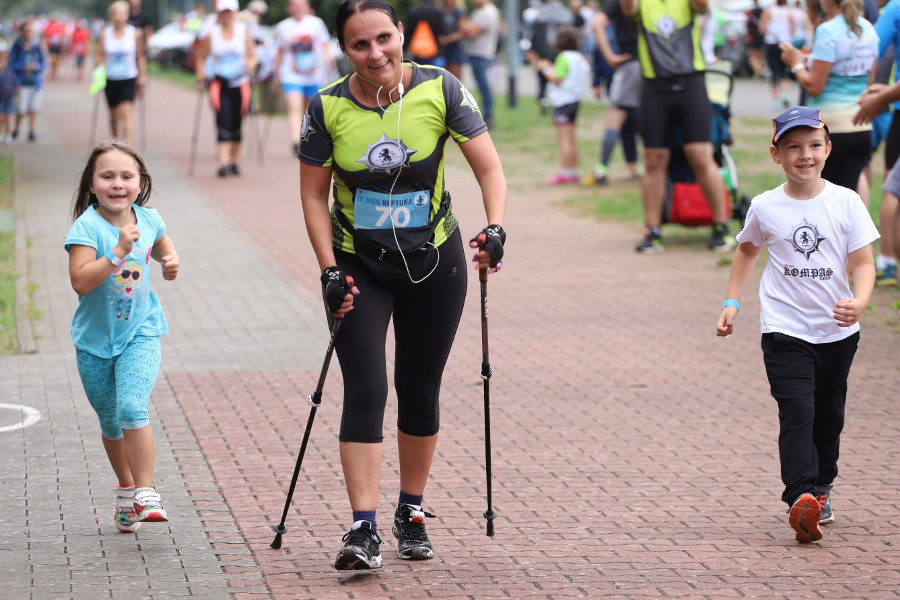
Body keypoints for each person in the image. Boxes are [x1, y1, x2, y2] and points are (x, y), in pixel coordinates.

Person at [299, 0, 507, 570]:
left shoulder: (441, 89)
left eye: (384, 39)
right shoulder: (327, 107)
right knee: (365, 387)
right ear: (345, 50)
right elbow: (314, 195)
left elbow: (488, 167)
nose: (376, 54)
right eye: (360, 45)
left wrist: (495, 227)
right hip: (358, 265)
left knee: (419, 388)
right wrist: (327, 267)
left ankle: (410, 510)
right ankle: (362, 528)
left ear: (400, 35)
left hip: (435, 261)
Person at [716, 106, 878, 544]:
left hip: (837, 332)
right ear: (776, 154)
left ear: (827, 148)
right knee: (797, 412)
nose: (804, 155)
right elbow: (747, 250)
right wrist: (733, 301)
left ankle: (822, 487)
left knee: (829, 418)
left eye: (812, 146)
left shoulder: (846, 202)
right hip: (784, 329)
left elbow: (863, 263)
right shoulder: (766, 206)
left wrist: (860, 301)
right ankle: (800, 497)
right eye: (793, 147)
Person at [65, 140, 181, 535]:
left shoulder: (148, 218)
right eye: (107, 176)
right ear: (92, 184)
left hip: (140, 331)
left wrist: (170, 260)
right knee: (111, 423)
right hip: (94, 342)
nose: (118, 183)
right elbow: (80, 282)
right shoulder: (86, 227)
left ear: (140, 181)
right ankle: (126, 492)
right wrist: (117, 252)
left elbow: (162, 240)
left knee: (132, 407)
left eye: (126, 176)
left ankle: (146, 493)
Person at [622, 0, 734, 253]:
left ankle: (720, 226)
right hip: (655, 86)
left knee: (700, 155)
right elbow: (628, 9)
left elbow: (702, 6)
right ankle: (652, 230)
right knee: (654, 159)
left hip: (691, 81)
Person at [778, 0, 878, 193]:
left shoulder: (828, 30)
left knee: (816, 199)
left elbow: (815, 86)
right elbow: (868, 82)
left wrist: (796, 63)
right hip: (861, 128)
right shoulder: (868, 29)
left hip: (831, 129)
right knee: (843, 200)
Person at [196, 0, 258, 177]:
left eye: (229, 12)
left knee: (237, 122)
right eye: (223, 12)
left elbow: (253, 55)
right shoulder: (211, 34)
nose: (226, 15)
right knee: (223, 121)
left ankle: (234, 162)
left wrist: (251, 65)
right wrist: (201, 77)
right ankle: (223, 163)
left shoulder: (243, 32)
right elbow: (201, 57)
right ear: (218, 13)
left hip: (241, 83)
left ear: (235, 13)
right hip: (219, 83)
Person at [584, 0, 641, 185]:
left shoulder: (619, 3)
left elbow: (596, 24)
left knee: (615, 118)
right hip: (656, 66)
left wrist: (609, 56)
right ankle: (647, 168)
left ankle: (602, 170)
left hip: (631, 65)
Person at [528, 26, 590, 184]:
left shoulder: (563, 57)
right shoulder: (579, 57)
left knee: (564, 139)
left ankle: (566, 172)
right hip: (575, 100)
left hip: (562, 102)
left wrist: (545, 68)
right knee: (572, 138)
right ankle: (574, 170)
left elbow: (557, 79)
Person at [273, 0, 335, 156]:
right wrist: (276, 75)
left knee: (310, 110)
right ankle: (296, 141)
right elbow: (279, 52)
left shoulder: (316, 23)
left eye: (301, 5)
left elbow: (325, 44)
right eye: (294, 5)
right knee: (294, 108)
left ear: (307, 7)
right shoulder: (283, 27)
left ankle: (309, 139)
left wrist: (330, 59)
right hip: (291, 75)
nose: (297, 8)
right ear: (289, 8)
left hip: (314, 75)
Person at [97, 0, 147, 145]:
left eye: (123, 13)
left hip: (129, 77)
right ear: (111, 16)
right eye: (116, 14)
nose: (119, 17)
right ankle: (115, 142)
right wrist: (99, 66)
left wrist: (142, 77)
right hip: (110, 78)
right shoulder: (105, 34)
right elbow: (98, 55)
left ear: (127, 15)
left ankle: (128, 148)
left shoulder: (135, 33)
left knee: (126, 112)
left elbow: (140, 57)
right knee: (113, 116)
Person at [529, 0, 575, 111]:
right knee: (560, 77)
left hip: (543, 52)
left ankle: (543, 100)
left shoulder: (541, 14)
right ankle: (558, 101)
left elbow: (535, 36)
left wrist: (534, 52)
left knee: (543, 79)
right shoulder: (566, 14)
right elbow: (571, 35)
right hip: (560, 52)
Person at [463, 0, 501, 128]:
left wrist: (466, 28)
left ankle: (488, 117)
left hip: (482, 54)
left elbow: (471, 33)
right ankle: (485, 116)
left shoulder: (488, 12)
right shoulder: (479, 11)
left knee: (485, 88)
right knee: (482, 87)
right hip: (477, 53)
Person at [760, 0, 801, 109]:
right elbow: (793, 29)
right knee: (784, 70)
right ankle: (786, 94)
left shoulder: (769, 11)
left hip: (772, 42)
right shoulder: (789, 12)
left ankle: (776, 99)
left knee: (773, 71)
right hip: (785, 43)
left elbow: (762, 29)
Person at [9, 20, 45, 143]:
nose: (28, 33)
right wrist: (22, 67)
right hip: (21, 83)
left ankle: (32, 131)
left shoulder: (37, 45)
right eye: (25, 31)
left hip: (35, 82)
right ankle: (17, 129)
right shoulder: (17, 45)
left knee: (34, 108)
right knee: (21, 109)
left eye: (30, 31)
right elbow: (11, 63)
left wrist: (37, 67)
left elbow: (43, 63)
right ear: (21, 32)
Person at [404, 0, 447, 67]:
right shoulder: (438, 11)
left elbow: (408, 33)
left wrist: (405, 48)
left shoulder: (413, 11)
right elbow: (444, 32)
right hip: (435, 53)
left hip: (417, 53)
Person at [439, 0, 468, 79]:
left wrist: (448, 39)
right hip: (443, 50)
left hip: (455, 49)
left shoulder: (458, 12)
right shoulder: (440, 11)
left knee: (454, 79)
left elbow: (462, 32)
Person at [0, 50, 17, 144]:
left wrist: (17, 88)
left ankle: (9, 134)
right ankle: (2, 134)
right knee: (1, 117)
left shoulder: (9, 70)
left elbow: (14, 80)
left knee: (8, 116)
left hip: (9, 97)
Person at [43, 14, 66, 80]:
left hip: (58, 44)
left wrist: (62, 42)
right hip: (51, 44)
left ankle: (56, 71)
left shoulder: (60, 25)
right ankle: (53, 71)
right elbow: (46, 34)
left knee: (57, 58)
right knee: (53, 58)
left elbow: (62, 34)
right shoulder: (48, 25)